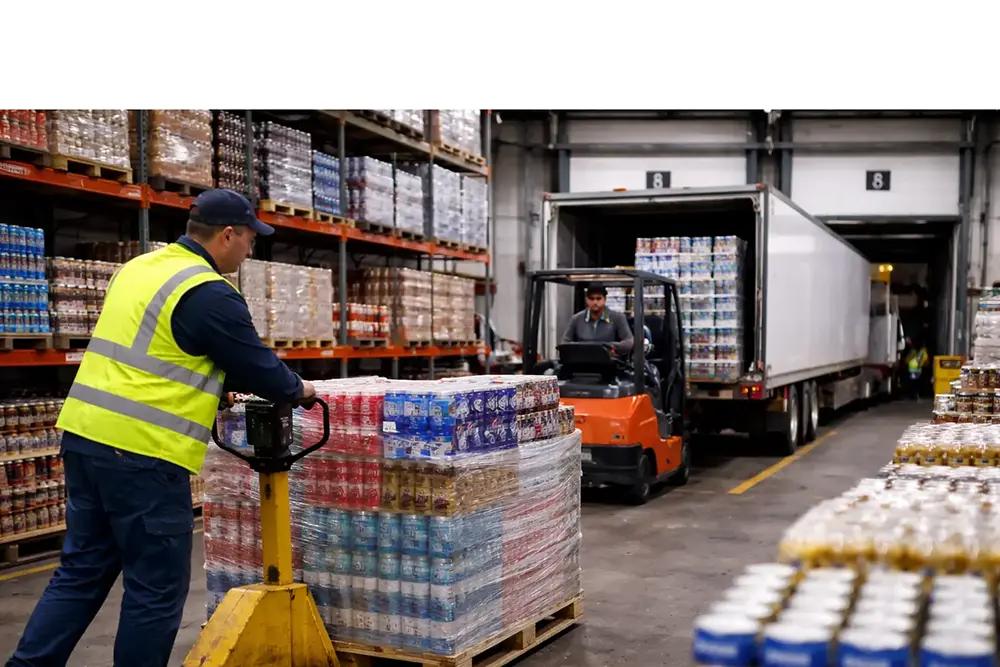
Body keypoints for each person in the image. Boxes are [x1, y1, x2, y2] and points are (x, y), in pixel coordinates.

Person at [6, 189, 316, 667]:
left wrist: (216, 384)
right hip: (143, 456)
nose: (252, 250)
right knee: (155, 590)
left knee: (81, 573)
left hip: (85, 439)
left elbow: (165, 347)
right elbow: (259, 368)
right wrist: (300, 390)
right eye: (251, 239)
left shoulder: (141, 268)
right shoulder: (210, 292)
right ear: (228, 234)